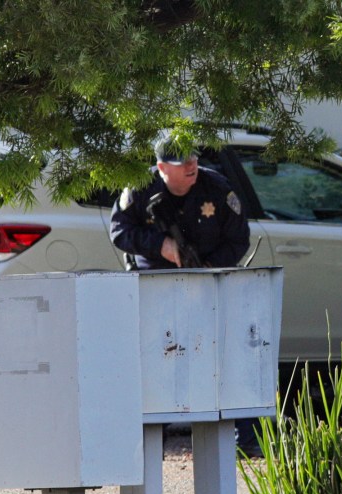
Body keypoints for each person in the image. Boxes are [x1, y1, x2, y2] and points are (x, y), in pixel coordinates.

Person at [109, 132, 261, 456]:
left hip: (205, 285)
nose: (192, 164)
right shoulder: (140, 187)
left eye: (194, 157)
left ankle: (247, 440)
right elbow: (119, 231)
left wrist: (206, 266)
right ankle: (145, 444)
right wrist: (159, 245)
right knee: (157, 364)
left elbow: (239, 240)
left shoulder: (217, 189)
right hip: (155, 287)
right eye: (182, 161)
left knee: (224, 358)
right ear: (162, 167)